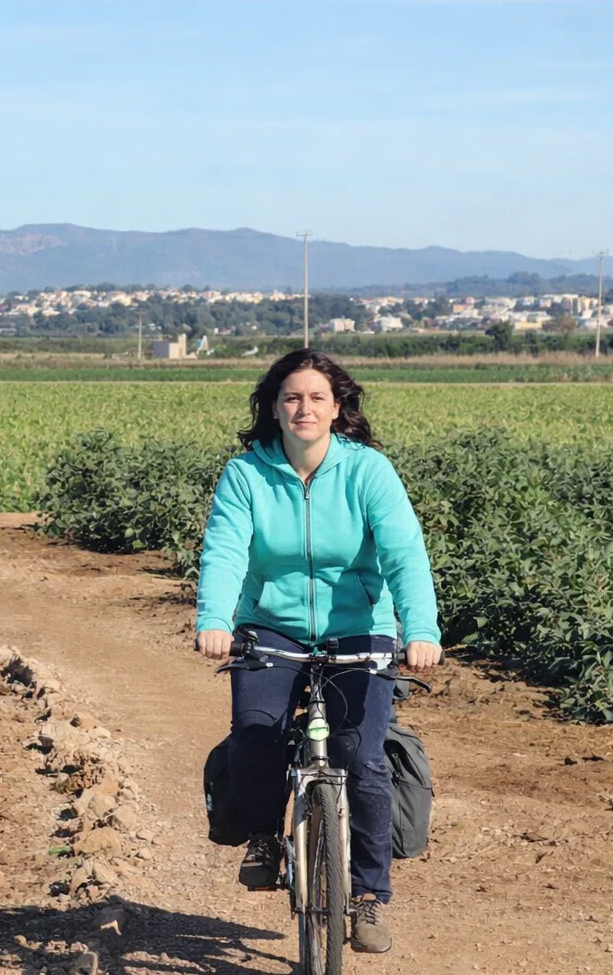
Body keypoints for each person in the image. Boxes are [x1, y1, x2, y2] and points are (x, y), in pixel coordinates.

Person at [194, 347, 442, 955]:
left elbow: (404, 553)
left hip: (360, 626)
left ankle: (368, 896)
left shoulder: (368, 472)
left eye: (316, 398)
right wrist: (215, 619)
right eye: (291, 397)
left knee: (362, 756)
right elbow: (225, 550)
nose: (303, 408)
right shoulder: (246, 474)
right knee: (255, 732)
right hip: (270, 627)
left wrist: (422, 630)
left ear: (337, 409)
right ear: (274, 408)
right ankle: (264, 836)